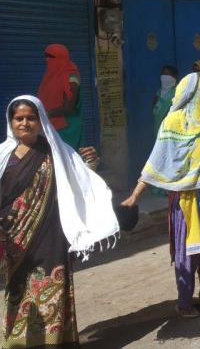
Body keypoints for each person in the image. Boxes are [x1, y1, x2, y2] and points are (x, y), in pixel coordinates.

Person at [1, 96, 118, 346]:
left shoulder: (56, 152)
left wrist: (92, 163)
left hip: (50, 235)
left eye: (30, 118)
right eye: (18, 118)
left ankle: (53, 342)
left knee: (49, 289)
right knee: (18, 292)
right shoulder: (2, 156)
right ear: (10, 122)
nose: (24, 123)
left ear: (40, 120)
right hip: (14, 239)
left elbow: (79, 183)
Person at [121, 73, 200, 318]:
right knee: (188, 252)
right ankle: (184, 302)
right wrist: (135, 196)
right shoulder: (171, 123)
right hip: (184, 202)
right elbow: (156, 161)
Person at [37, 44, 83, 150]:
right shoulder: (50, 76)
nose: (47, 60)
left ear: (61, 58)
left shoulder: (71, 78)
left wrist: (45, 114)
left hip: (67, 128)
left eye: (51, 57)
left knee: (67, 157)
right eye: (46, 56)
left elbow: (69, 107)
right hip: (50, 124)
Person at [153, 65, 179, 137]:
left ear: (174, 77)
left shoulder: (178, 93)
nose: (164, 77)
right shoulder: (158, 93)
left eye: (167, 74)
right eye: (163, 74)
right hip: (158, 130)